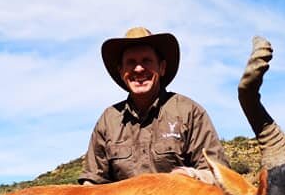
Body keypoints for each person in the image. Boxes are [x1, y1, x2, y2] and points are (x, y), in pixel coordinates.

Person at [79, 26, 229, 185]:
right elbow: (92, 182)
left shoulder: (189, 112)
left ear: (162, 67)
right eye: (131, 62)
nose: (138, 68)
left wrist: (191, 175)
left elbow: (220, 176)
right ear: (121, 71)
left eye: (146, 60)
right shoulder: (108, 120)